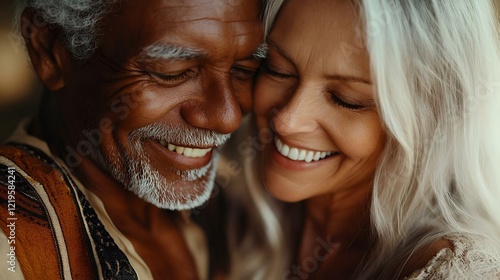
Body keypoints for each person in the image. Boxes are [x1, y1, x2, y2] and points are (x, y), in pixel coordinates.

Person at [227, 0, 500, 279]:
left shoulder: (458, 270)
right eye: (277, 69)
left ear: (432, 123)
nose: (287, 120)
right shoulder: (222, 202)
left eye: (348, 101)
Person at [0, 0, 265, 279]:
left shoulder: (242, 203)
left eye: (244, 70)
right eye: (171, 71)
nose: (228, 117)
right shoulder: (12, 236)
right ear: (51, 50)